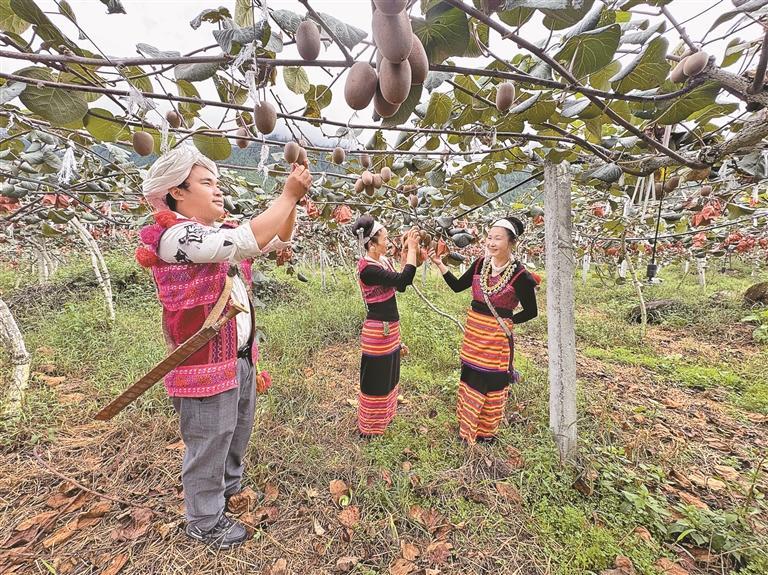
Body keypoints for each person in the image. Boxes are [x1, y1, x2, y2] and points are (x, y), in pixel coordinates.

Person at [135, 145, 312, 549]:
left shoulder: (213, 232)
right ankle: (204, 519)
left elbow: (278, 240)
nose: (218, 191)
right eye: (206, 183)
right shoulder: (175, 236)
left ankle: (229, 487)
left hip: (238, 357)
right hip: (202, 364)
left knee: (235, 431)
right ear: (177, 193)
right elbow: (246, 242)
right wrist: (285, 195)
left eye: (217, 182)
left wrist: (293, 204)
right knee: (209, 441)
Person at [429, 216, 539, 444]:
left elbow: (531, 312)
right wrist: (440, 265)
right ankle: (466, 427)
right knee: (471, 377)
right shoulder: (480, 264)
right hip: (474, 336)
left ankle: (485, 433)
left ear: (511, 242)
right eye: (489, 237)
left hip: (496, 339)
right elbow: (459, 287)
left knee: (491, 382)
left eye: (497, 238)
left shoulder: (521, 276)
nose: (491, 242)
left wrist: (506, 323)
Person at [352, 216, 420, 437]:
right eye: (385, 237)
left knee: (389, 374)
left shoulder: (382, 262)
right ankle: (369, 429)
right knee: (375, 378)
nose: (388, 240)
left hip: (390, 327)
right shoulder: (367, 269)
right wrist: (411, 248)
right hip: (378, 330)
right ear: (372, 243)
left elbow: (399, 285)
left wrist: (405, 250)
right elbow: (404, 281)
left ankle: (384, 419)